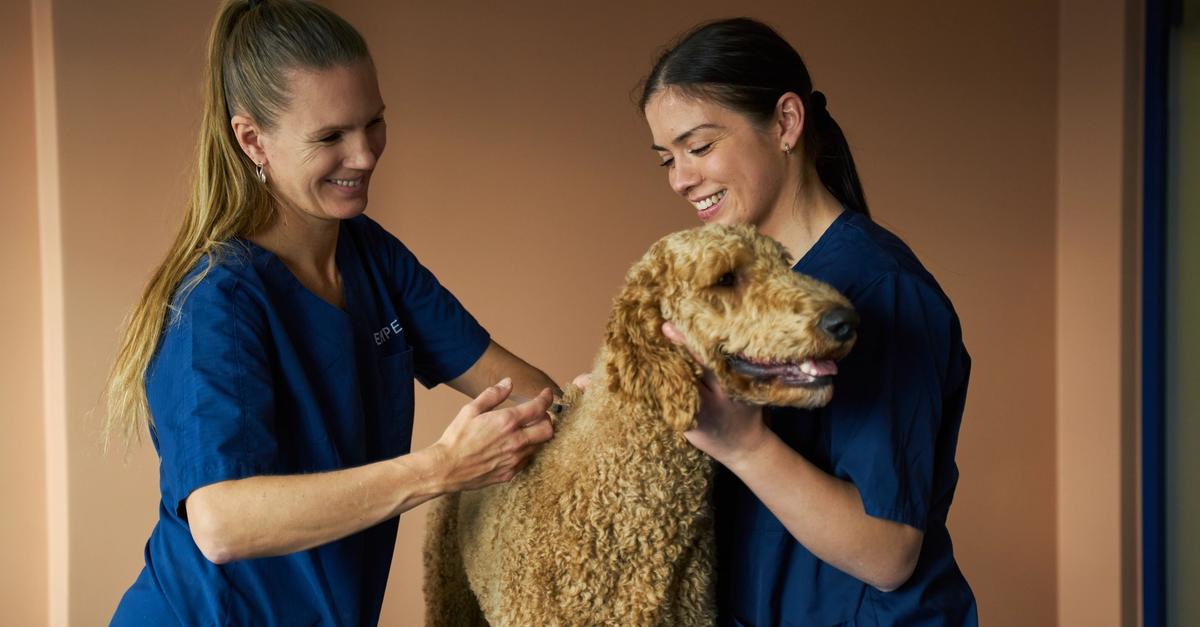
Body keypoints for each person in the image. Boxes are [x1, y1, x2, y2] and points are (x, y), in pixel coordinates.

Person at [104, 1, 558, 624]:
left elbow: (530, 395)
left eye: (373, 123)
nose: (366, 155)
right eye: (330, 137)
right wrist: (438, 470)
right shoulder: (217, 302)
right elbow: (221, 522)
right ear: (251, 140)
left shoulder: (373, 258)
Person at [639, 18, 979, 626]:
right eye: (668, 157)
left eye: (700, 146)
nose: (681, 178)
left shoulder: (882, 289)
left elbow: (889, 555)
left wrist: (743, 445)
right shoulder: (737, 291)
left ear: (786, 123)